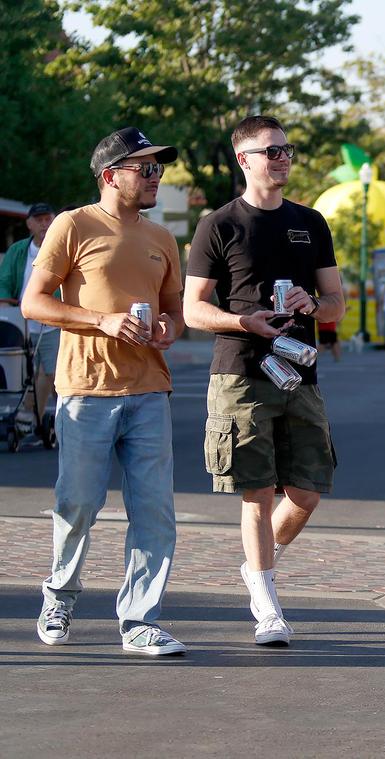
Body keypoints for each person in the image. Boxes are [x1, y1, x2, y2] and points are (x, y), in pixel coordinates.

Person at [22, 126, 187, 656]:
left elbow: (176, 314)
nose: (156, 176)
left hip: (149, 391)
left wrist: (168, 329)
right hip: (86, 389)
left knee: (155, 511)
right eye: (147, 168)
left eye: (158, 168)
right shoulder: (72, 225)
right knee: (78, 503)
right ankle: (60, 596)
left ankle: (140, 621)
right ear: (111, 175)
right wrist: (103, 320)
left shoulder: (162, 239)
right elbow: (34, 303)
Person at [184, 115, 344, 647]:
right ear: (244, 159)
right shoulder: (219, 224)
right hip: (242, 372)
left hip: (300, 371)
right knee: (255, 494)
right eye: (270, 150)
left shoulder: (311, 222)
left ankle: (256, 568)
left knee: (307, 491)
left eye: (286, 149)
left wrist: (314, 304)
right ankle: (267, 602)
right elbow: (192, 310)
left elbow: (336, 304)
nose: (281, 158)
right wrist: (242, 321)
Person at [0, 202, 60, 432]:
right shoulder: (18, 251)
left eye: (48, 219)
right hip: (22, 323)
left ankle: (67, 417)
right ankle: (29, 418)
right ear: (30, 224)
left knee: (55, 374)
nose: (45, 224)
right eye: (40, 220)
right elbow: (5, 282)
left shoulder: (61, 249)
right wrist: (6, 311)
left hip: (53, 324)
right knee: (23, 377)